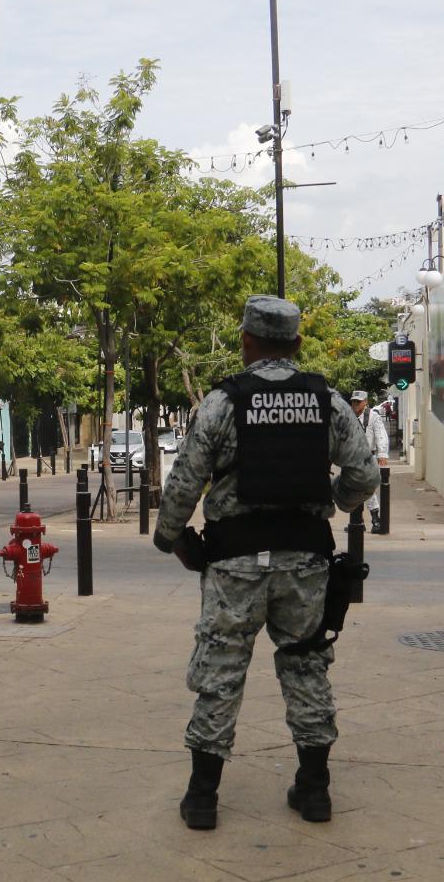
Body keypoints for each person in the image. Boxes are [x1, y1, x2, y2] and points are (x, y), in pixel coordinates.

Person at [154, 295, 379, 829]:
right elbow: (365, 476)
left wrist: (173, 540)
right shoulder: (328, 402)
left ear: (246, 342)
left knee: (221, 674)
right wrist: (336, 502)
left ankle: (204, 797)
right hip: (306, 561)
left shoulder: (223, 402)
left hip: (234, 563)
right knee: (306, 667)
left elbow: (185, 480)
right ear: (298, 344)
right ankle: (315, 790)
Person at [349, 389, 390, 522]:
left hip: (368, 457)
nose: (355, 404)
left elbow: (381, 435)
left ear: (365, 402)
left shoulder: (373, 416)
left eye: (358, 402)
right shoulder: (348, 416)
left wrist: (382, 453)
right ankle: (358, 520)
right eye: (353, 402)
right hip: (352, 458)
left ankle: (375, 517)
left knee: (366, 487)